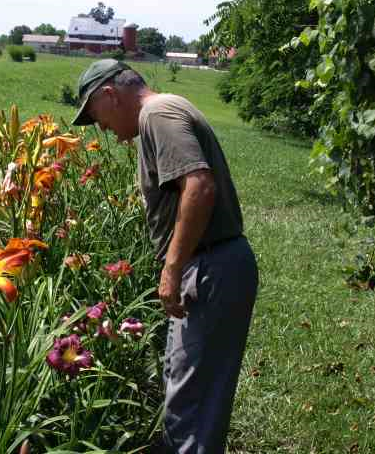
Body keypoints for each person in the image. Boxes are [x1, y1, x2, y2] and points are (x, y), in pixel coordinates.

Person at [72, 59, 258, 454]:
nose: (101, 128)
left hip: (208, 266)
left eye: (95, 115)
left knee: (193, 405)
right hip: (209, 264)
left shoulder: (156, 113)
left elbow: (199, 186)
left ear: (110, 94)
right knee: (187, 391)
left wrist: (172, 269)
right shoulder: (160, 113)